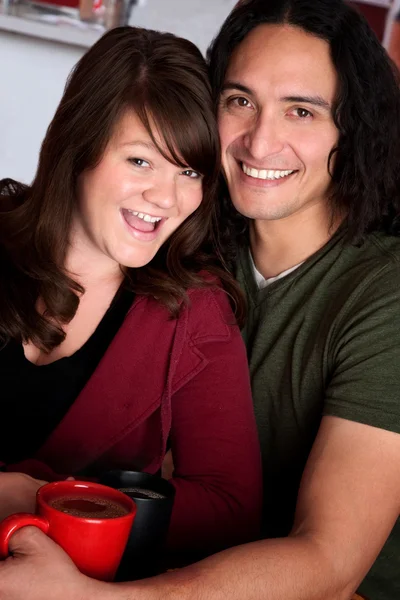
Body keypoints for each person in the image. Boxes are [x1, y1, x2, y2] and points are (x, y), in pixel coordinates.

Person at [1, 1, 400, 599]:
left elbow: (330, 561)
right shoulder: (185, 236)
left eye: (301, 110)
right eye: (240, 101)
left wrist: (88, 577)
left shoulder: (380, 294)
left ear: (353, 127)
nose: (262, 142)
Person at [0, 25, 263, 562]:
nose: (166, 197)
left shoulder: (196, 312)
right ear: (80, 146)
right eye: (140, 160)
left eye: (188, 170)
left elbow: (230, 506)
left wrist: (51, 498)